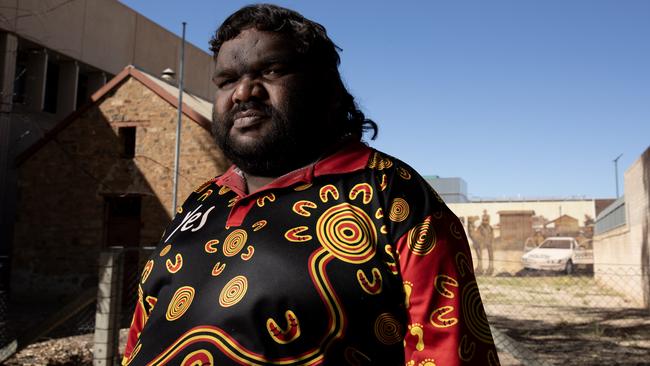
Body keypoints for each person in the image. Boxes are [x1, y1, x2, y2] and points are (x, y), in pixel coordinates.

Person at [122, 4, 499, 365]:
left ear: (327, 89)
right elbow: (140, 333)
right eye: (227, 80)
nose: (242, 92)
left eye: (270, 71)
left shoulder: (390, 192)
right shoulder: (201, 202)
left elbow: (449, 349)